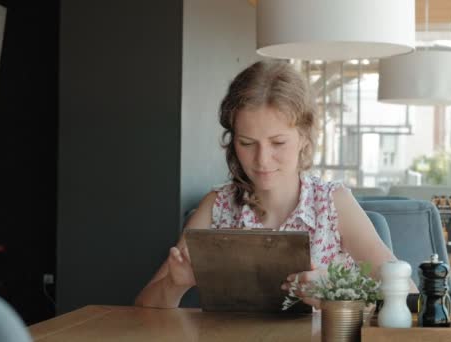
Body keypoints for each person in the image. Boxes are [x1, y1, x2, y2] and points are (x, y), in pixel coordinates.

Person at [135, 60, 415, 309]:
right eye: (247, 143)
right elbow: (142, 309)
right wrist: (175, 284)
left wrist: (334, 297)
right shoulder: (217, 207)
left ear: (304, 136)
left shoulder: (333, 203)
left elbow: (409, 298)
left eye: (278, 143)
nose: (262, 160)